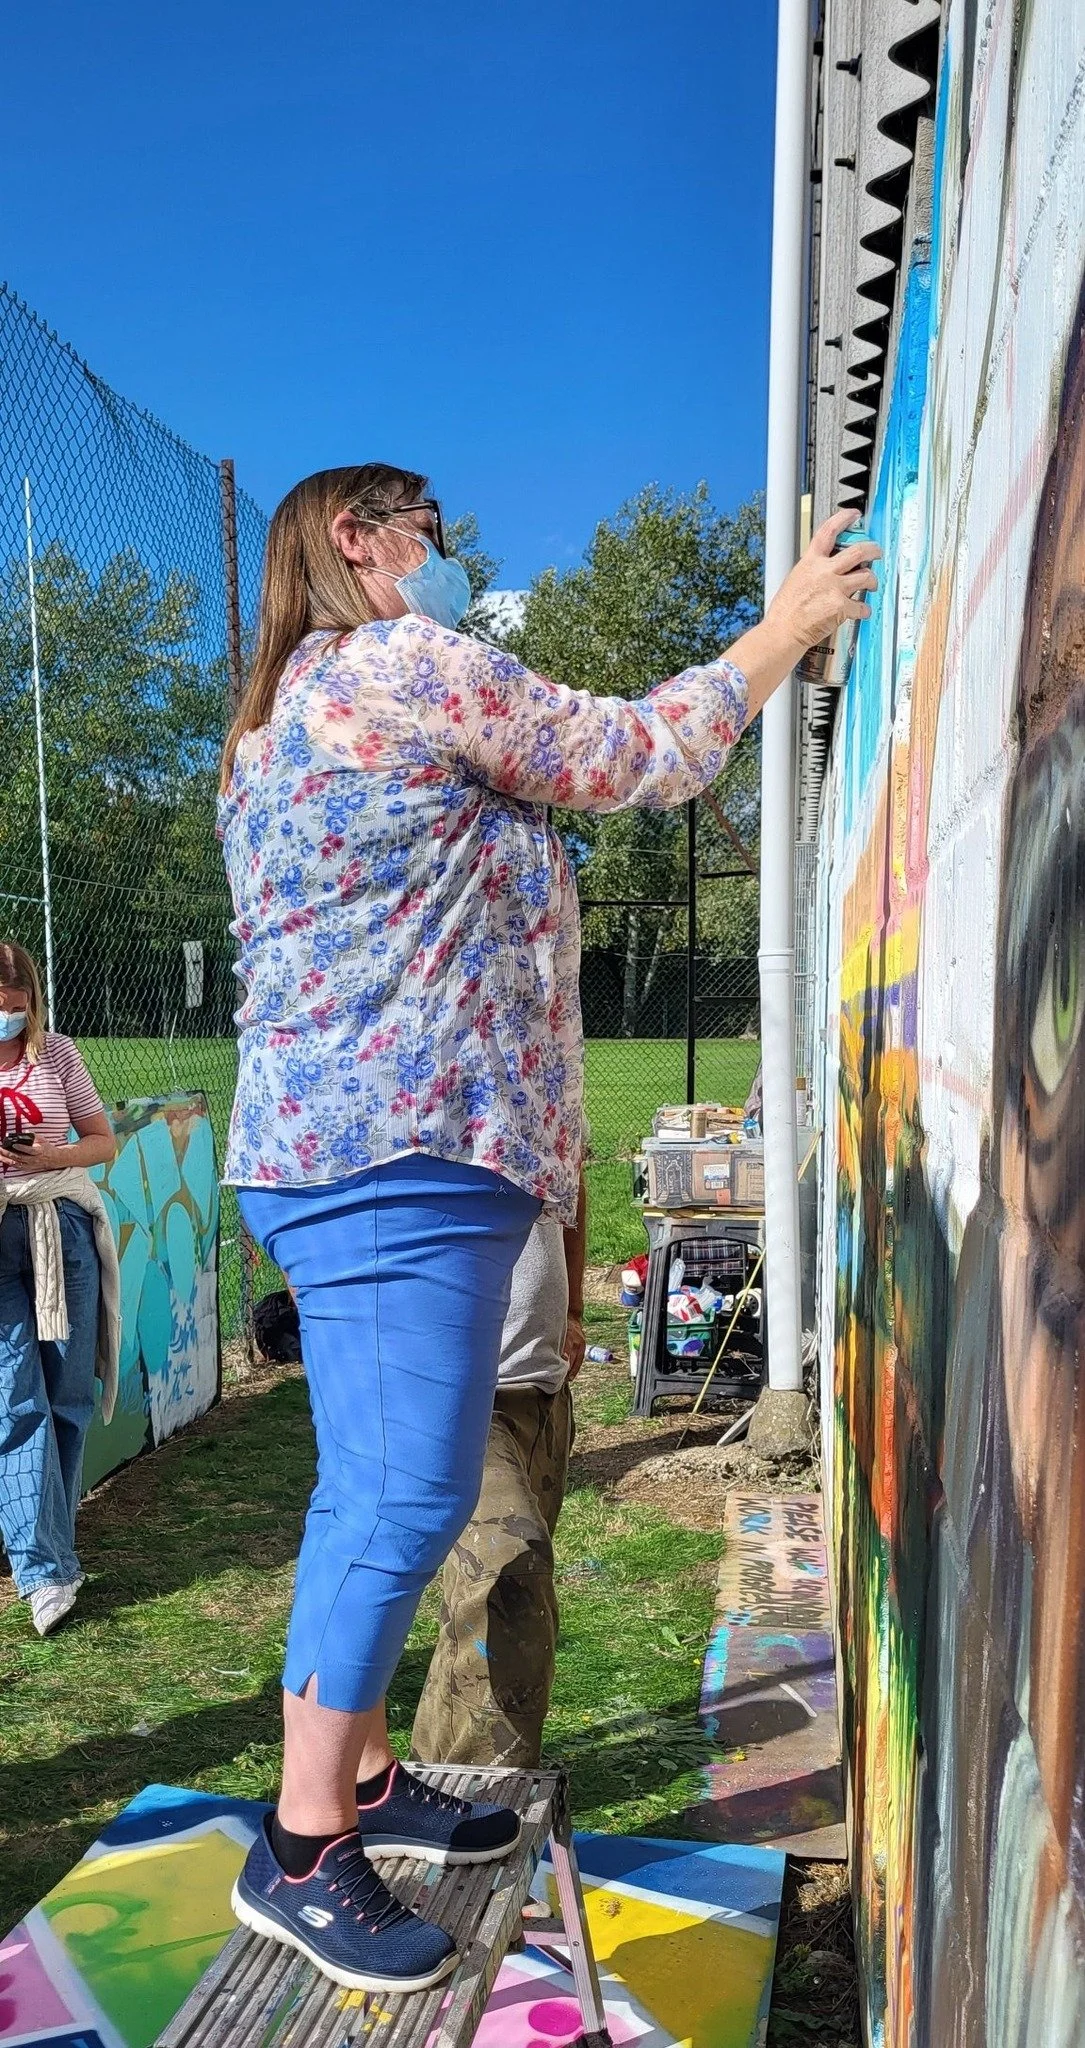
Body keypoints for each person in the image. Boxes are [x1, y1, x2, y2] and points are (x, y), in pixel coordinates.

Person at [217, 461, 878, 1995]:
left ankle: (365, 1776)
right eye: (428, 536)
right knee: (403, 1498)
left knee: (375, 1491)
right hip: (398, 1154)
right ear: (357, 542)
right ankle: (303, 1846)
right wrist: (782, 628)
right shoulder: (400, 665)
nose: (447, 560)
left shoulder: (277, 722)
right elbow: (640, 752)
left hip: (352, 1152)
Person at [411, 1169, 586, 1769]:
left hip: (540, 1387)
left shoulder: (551, 1100)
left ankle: (436, 1772)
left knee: (478, 1602)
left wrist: (573, 1308)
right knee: (511, 1573)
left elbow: (571, 1181)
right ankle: (483, 1792)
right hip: (452, 1395)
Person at [0, 942, 119, 1637]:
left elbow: (103, 1141)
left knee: (67, 1393)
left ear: (32, 1002)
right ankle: (42, 1567)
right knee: (16, 1400)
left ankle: (52, 1537)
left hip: (61, 1224)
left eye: (16, 1007)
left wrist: (51, 1155)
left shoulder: (59, 1054)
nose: (6, 1018)